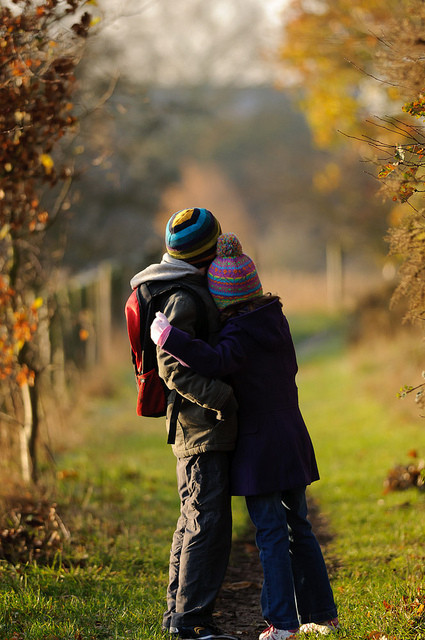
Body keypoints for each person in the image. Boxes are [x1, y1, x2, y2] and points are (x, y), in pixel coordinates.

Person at [151, 233, 339, 640]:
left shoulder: (237, 333)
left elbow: (215, 360)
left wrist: (170, 338)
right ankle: (321, 613)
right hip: (291, 437)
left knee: (270, 531)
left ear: (222, 298)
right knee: (299, 526)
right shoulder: (276, 319)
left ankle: (282, 623)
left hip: (260, 446)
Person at [130, 209, 239, 640]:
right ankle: (192, 624)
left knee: (194, 519)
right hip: (200, 426)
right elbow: (172, 366)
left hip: (197, 427)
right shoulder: (185, 297)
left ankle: (178, 619)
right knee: (206, 523)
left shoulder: (179, 284)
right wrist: (222, 398)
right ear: (206, 253)